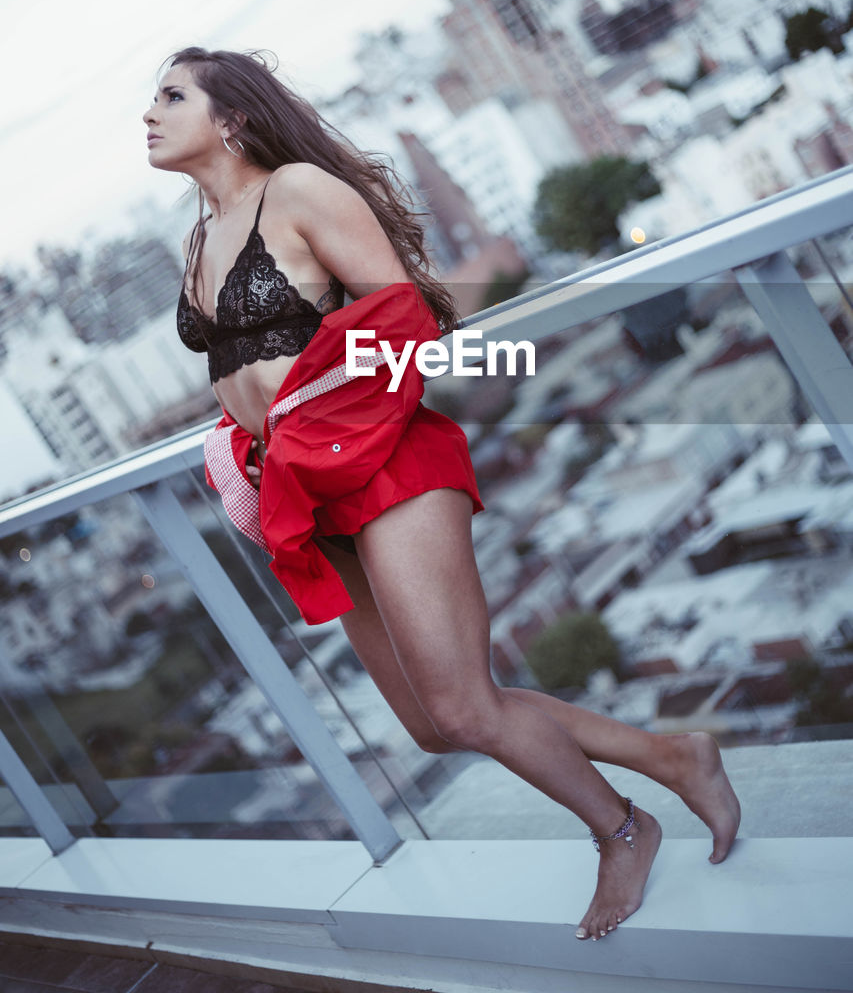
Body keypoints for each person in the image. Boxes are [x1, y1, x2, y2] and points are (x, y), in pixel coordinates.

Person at [144, 46, 741, 942]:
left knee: (465, 702)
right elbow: (242, 367)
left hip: (381, 463)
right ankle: (674, 755)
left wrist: (306, 416)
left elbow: (404, 319)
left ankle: (623, 828)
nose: (147, 114)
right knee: (433, 726)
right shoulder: (201, 232)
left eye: (169, 96)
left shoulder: (298, 191)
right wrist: (251, 438)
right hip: (302, 488)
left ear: (230, 117)